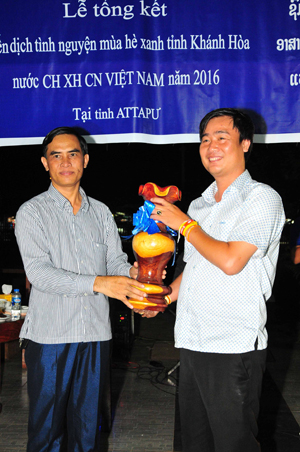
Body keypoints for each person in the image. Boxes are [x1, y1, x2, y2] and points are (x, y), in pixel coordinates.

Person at [145, 108, 286, 452]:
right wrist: (162, 297)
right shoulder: (198, 205)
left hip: (232, 344)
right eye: (205, 139)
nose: (211, 146)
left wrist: (184, 226)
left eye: (222, 137)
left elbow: (231, 260)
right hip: (193, 340)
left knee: (233, 443)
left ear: (246, 144)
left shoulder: (261, 198)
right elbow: (194, 268)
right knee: (194, 442)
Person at [15, 127, 147, 452]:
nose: (64, 162)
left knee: (88, 431)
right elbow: (40, 273)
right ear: (45, 163)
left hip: (96, 336)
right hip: (50, 339)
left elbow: (114, 261)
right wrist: (99, 283)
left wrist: (137, 275)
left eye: (72, 153)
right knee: (47, 434)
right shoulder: (31, 212)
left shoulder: (101, 212)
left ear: (85, 160)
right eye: (55, 155)